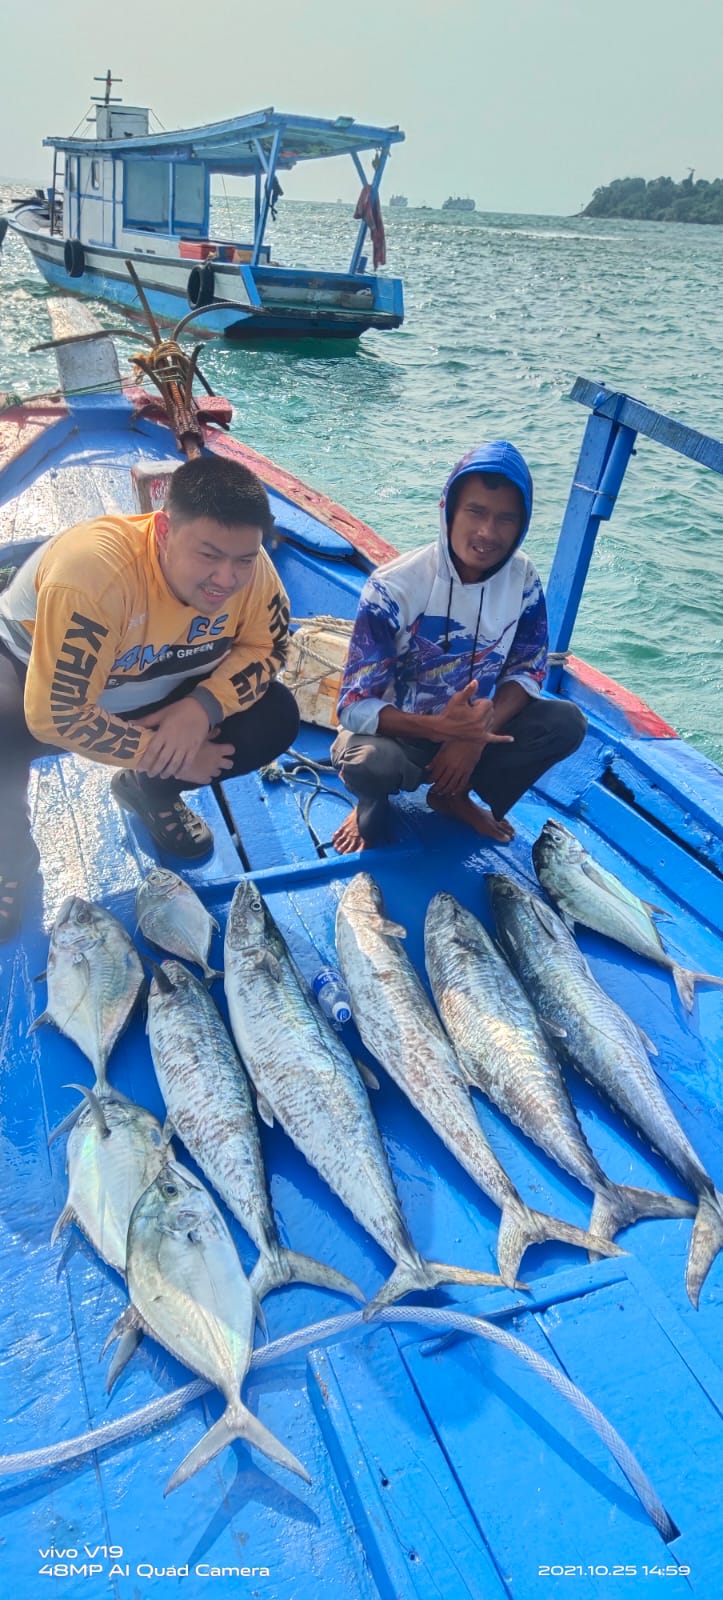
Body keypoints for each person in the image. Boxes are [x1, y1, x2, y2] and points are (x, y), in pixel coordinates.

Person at [0, 453, 299, 941]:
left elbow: (269, 647)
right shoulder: (93, 575)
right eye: (208, 555)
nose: (227, 579)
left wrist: (201, 708)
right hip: (42, 677)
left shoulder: (253, 571)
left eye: (244, 559)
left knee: (275, 715)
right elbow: (55, 714)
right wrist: (166, 754)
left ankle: (148, 789)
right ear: (163, 531)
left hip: (160, 680)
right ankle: (10, 858)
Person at [331, 441, 586, 854]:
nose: (488, 533)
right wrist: (442, 729)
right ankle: (369, 802)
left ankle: (452, 794)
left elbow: (528, 669)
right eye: (476, 512)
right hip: (403, 735)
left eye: (506, 518)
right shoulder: (391, 588)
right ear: (447, 508)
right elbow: (354, 706)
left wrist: (474, 735)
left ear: (523, 523)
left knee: (565, 722)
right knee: (365, 762)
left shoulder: (523, 579)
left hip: (477, 728)